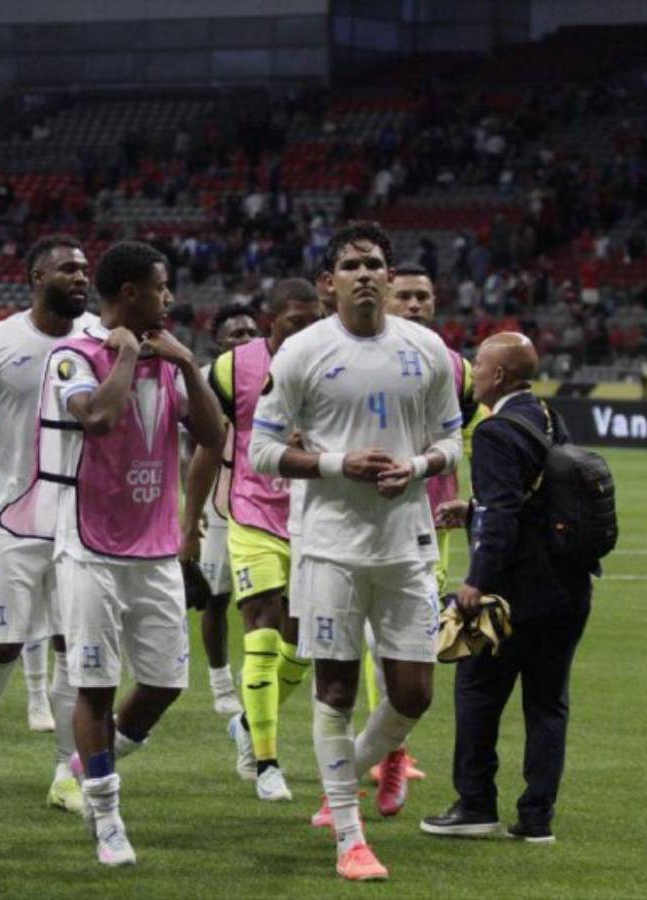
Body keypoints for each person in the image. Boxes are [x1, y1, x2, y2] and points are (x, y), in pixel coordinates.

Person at [249, 222, 463, 882]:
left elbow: (452, 442)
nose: (365, 273)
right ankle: (349, 835)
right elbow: (261, 452)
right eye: (351, 265)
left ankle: (340, 781)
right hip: (329, 547)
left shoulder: (428, 349)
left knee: (414, 694)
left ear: (390, 278)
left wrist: (418, 466)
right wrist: (338, 464)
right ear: (329, 282)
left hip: (406, 545)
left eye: (375, 264)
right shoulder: (303, 352)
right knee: (337, 688)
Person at [4, 241, 223, 864]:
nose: (169, 297)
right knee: (96, 686)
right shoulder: (74, 356)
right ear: (130, 293)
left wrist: (187, 365)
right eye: (161, 286)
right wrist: (125, 354)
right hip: (90, 547)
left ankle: (83, 767)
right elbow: (98, 418)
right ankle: (107, 818)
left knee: (164, 683)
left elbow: (214, 435)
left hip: (155, 548)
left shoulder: (169, 356)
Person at [421, 333, 593, 844]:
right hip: (569, 584)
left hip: (517, 590)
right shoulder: (548, 416)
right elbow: (538, 499)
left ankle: (475, 805)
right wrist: (471, 509)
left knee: (477, 690)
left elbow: (502, 515)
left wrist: (477, 581)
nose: (472, 371)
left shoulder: (495, 430)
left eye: (478, 363)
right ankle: (537, 818)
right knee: (548, 703)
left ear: (497, 375)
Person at [0, 234, 96, 813]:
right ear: (37, 278)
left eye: (85, 269)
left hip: (83, 524)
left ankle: (66, 773)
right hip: (12, 520)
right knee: (3, 645)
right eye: (68, 269)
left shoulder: (99, 340)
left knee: (73, 647)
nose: (81, 277)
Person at [183, 280, 321, 802]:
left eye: (315, 321)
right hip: (252, 511)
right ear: (272, 321)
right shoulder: (232, 369)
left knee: (301, 648)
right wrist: (188, 524)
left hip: (317, 519)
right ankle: (266, 762)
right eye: (297, 323)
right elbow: (207, 447)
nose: (308, 332)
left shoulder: (338, 362)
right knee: (260, 629)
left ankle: (245, 721)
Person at [362, 263, 485, 788]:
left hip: (429, 524)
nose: (415, 305)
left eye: (423, 297)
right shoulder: (354, 357)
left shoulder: (455, 368)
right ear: (384, 299)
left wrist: (474, 501)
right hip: (358, 522)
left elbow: (474, 440)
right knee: (365, 643)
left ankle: (390, 751)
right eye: (405, 296)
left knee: (405, 640)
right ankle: (381, 752)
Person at [183, 302, 259, 717]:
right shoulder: (208, 379)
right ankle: (220, 683)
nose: (245, 340)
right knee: (215, 597)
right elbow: (190, 447)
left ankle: (256, 674)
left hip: (264, 502)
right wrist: (190, 508)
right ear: (218, 342)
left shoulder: (272, 373)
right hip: (218, 502)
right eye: (236, 334)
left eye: (251, 332)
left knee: (265, 598)